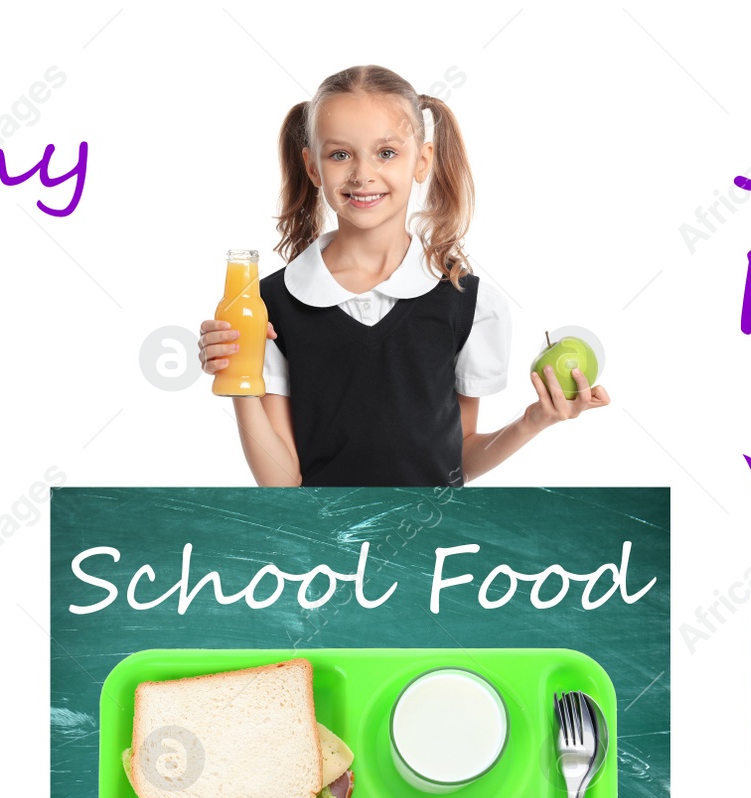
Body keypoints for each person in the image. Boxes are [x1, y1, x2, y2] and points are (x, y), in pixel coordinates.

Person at [198, 64, 609, 487]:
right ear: (313, 167)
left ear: (422, 160)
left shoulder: (465, 303)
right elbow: (282, 483)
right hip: (324, 543)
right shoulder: (271, 307)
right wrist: (238, 379)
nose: (362, 174)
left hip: (431, 545)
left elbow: (458, 459)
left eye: (386, 153)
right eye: (340, 154)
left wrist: (533, 421)